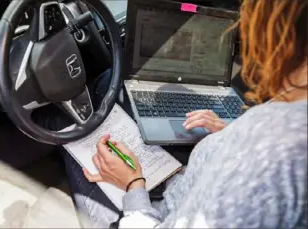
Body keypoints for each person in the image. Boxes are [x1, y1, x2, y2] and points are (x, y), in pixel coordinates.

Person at [62, 0, 308, 228]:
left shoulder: (271, 152)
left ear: (275, 33)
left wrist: (132, 185)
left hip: (154, 212)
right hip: (186, 185)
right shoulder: (282, 125)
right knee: (108, 83)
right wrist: (228, 136)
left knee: (70, 131)